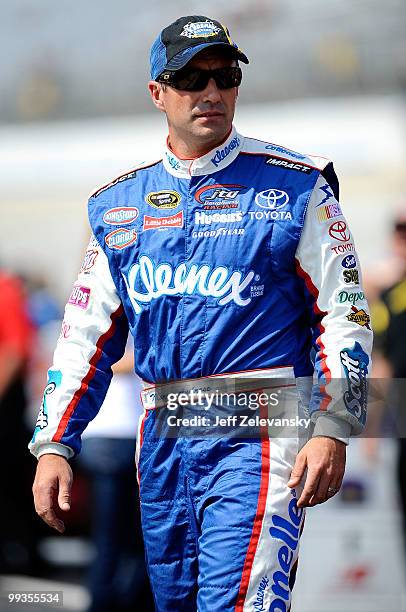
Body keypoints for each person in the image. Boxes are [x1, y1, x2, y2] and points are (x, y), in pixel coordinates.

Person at [30, 15, 373, 611]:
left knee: (238, 603)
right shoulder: (118, 207)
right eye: (191, 77)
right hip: (163, 440)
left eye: (225, 75)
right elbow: (83, 336)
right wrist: (55, 446)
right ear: (157, 93)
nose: (211, 91)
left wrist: (333, 425)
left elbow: (344, 314)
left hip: (262, 434)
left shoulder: (298, 186)